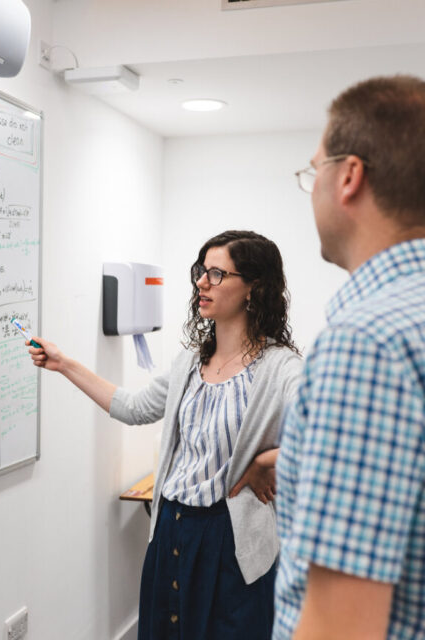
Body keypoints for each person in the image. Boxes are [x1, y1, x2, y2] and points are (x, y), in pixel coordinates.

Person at [28, 230, 301, 640]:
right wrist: (65, 364)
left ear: (254, 287)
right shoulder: (191, 362)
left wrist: (268, 461)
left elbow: (337, 434)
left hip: (231, 542)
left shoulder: (281, 368)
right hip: (171, 529)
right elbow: (133, 407)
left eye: (216, 273)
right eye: (200, 271)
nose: (201, 283)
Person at [274, 75, 425, 640]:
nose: (310, 187)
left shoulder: (366, 343)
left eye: (314, 170)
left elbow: (341, 627)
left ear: (349, 177)